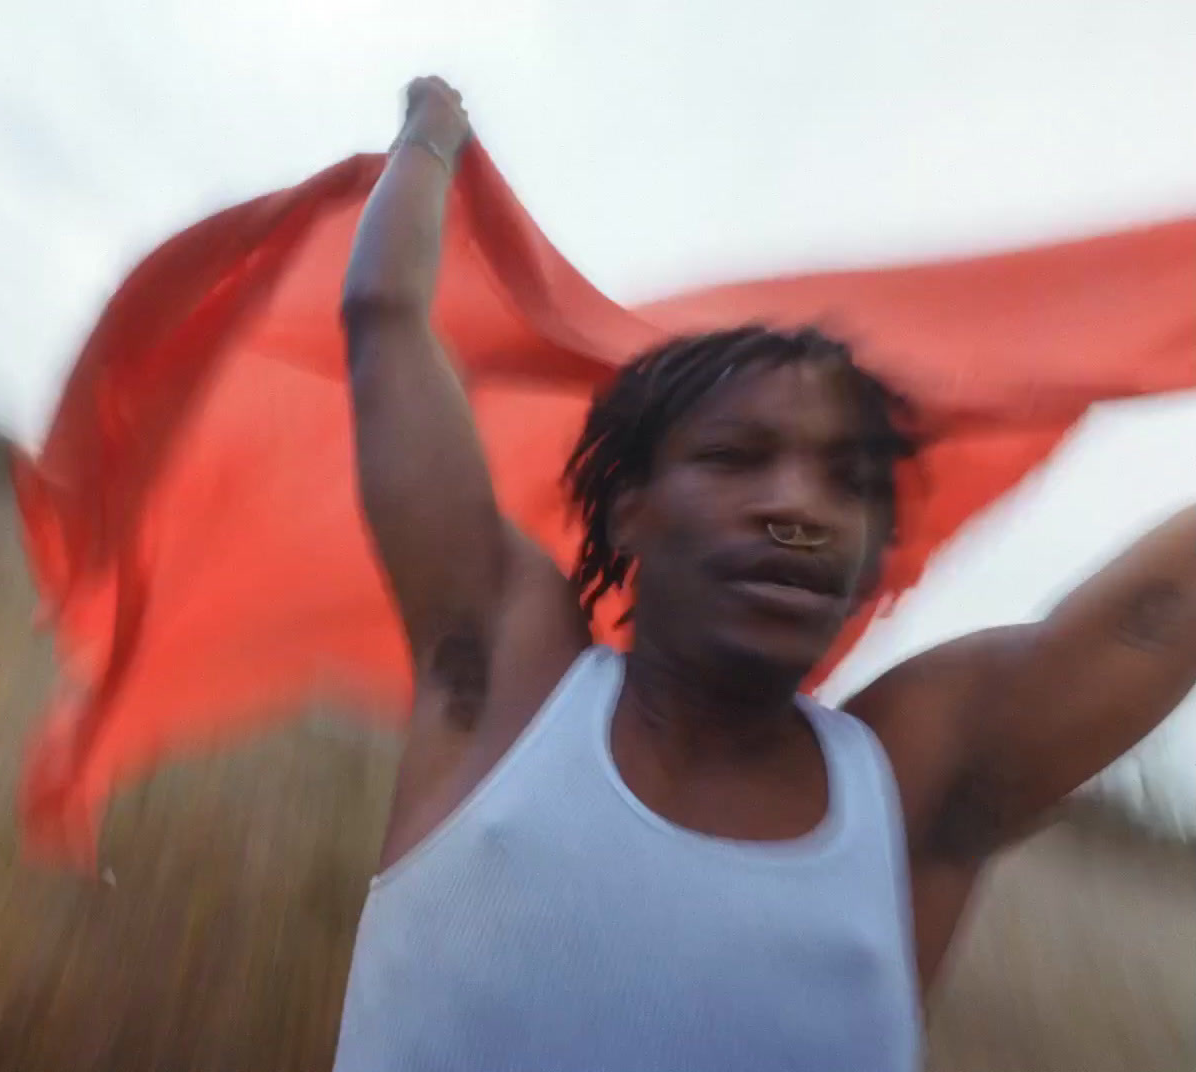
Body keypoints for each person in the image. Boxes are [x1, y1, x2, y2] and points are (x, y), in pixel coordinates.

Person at [331, 77, 1196, 1071]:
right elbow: (386, 317)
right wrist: (431, 135)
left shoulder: (910, 785)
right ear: (628, 509)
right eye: (736, 457)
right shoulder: (507, 679)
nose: (798, 509)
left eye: (849, 480)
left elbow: (1154, 617)